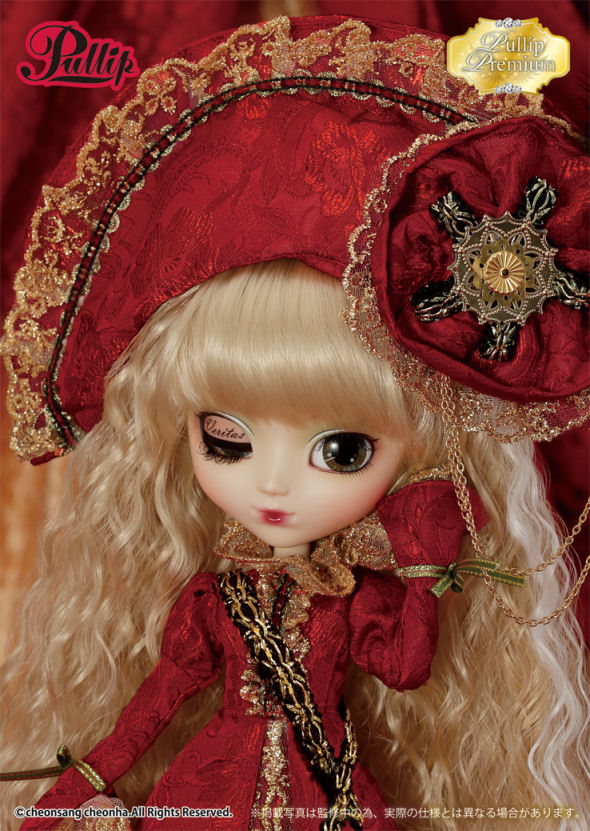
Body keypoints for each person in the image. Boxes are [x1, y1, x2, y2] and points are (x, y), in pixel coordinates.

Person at [1, 15, 588, 831]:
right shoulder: (212, 600)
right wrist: (76, 785)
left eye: (341, 450)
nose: (273, 484)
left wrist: (425, 566)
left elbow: (406, 665)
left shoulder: (352, 599)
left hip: (330, 793)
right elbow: (150, 709)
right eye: (228, 441)